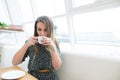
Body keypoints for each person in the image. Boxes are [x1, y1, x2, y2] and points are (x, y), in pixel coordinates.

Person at [12, 16, 62, 80]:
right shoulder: (30, 42)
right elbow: (14, 62)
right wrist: (26, 45)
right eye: (39, 29)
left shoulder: (54, 43)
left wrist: (52, 47)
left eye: (45, 30)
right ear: (36, 29)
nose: (42, 33)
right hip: (31, 76)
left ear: (50, 30)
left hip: (49, 77)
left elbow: (57, 67)